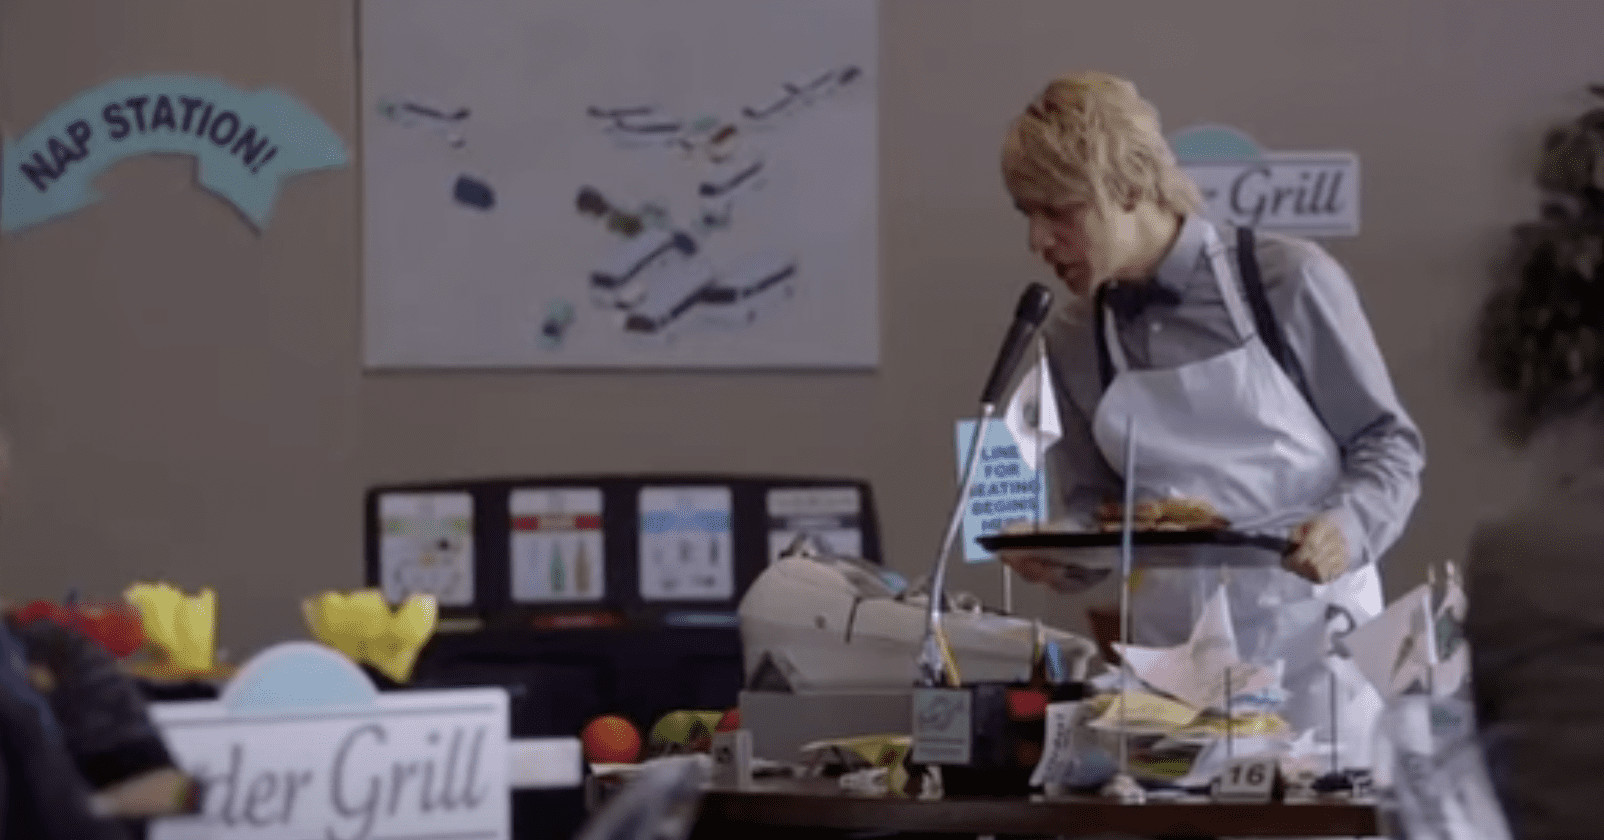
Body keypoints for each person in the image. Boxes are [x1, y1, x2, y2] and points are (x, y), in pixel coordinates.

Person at [995, 71, 1425, 755]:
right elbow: (1099, 513)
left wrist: (1345, 529)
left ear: (1129, 186)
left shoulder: (1287, 281)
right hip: (1171, 672)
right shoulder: (1072, 340)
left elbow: (1388, 444)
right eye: (1027, 214)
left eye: (1058, 212)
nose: (1038, 241)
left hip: (1316, 656)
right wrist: (1060, 552)